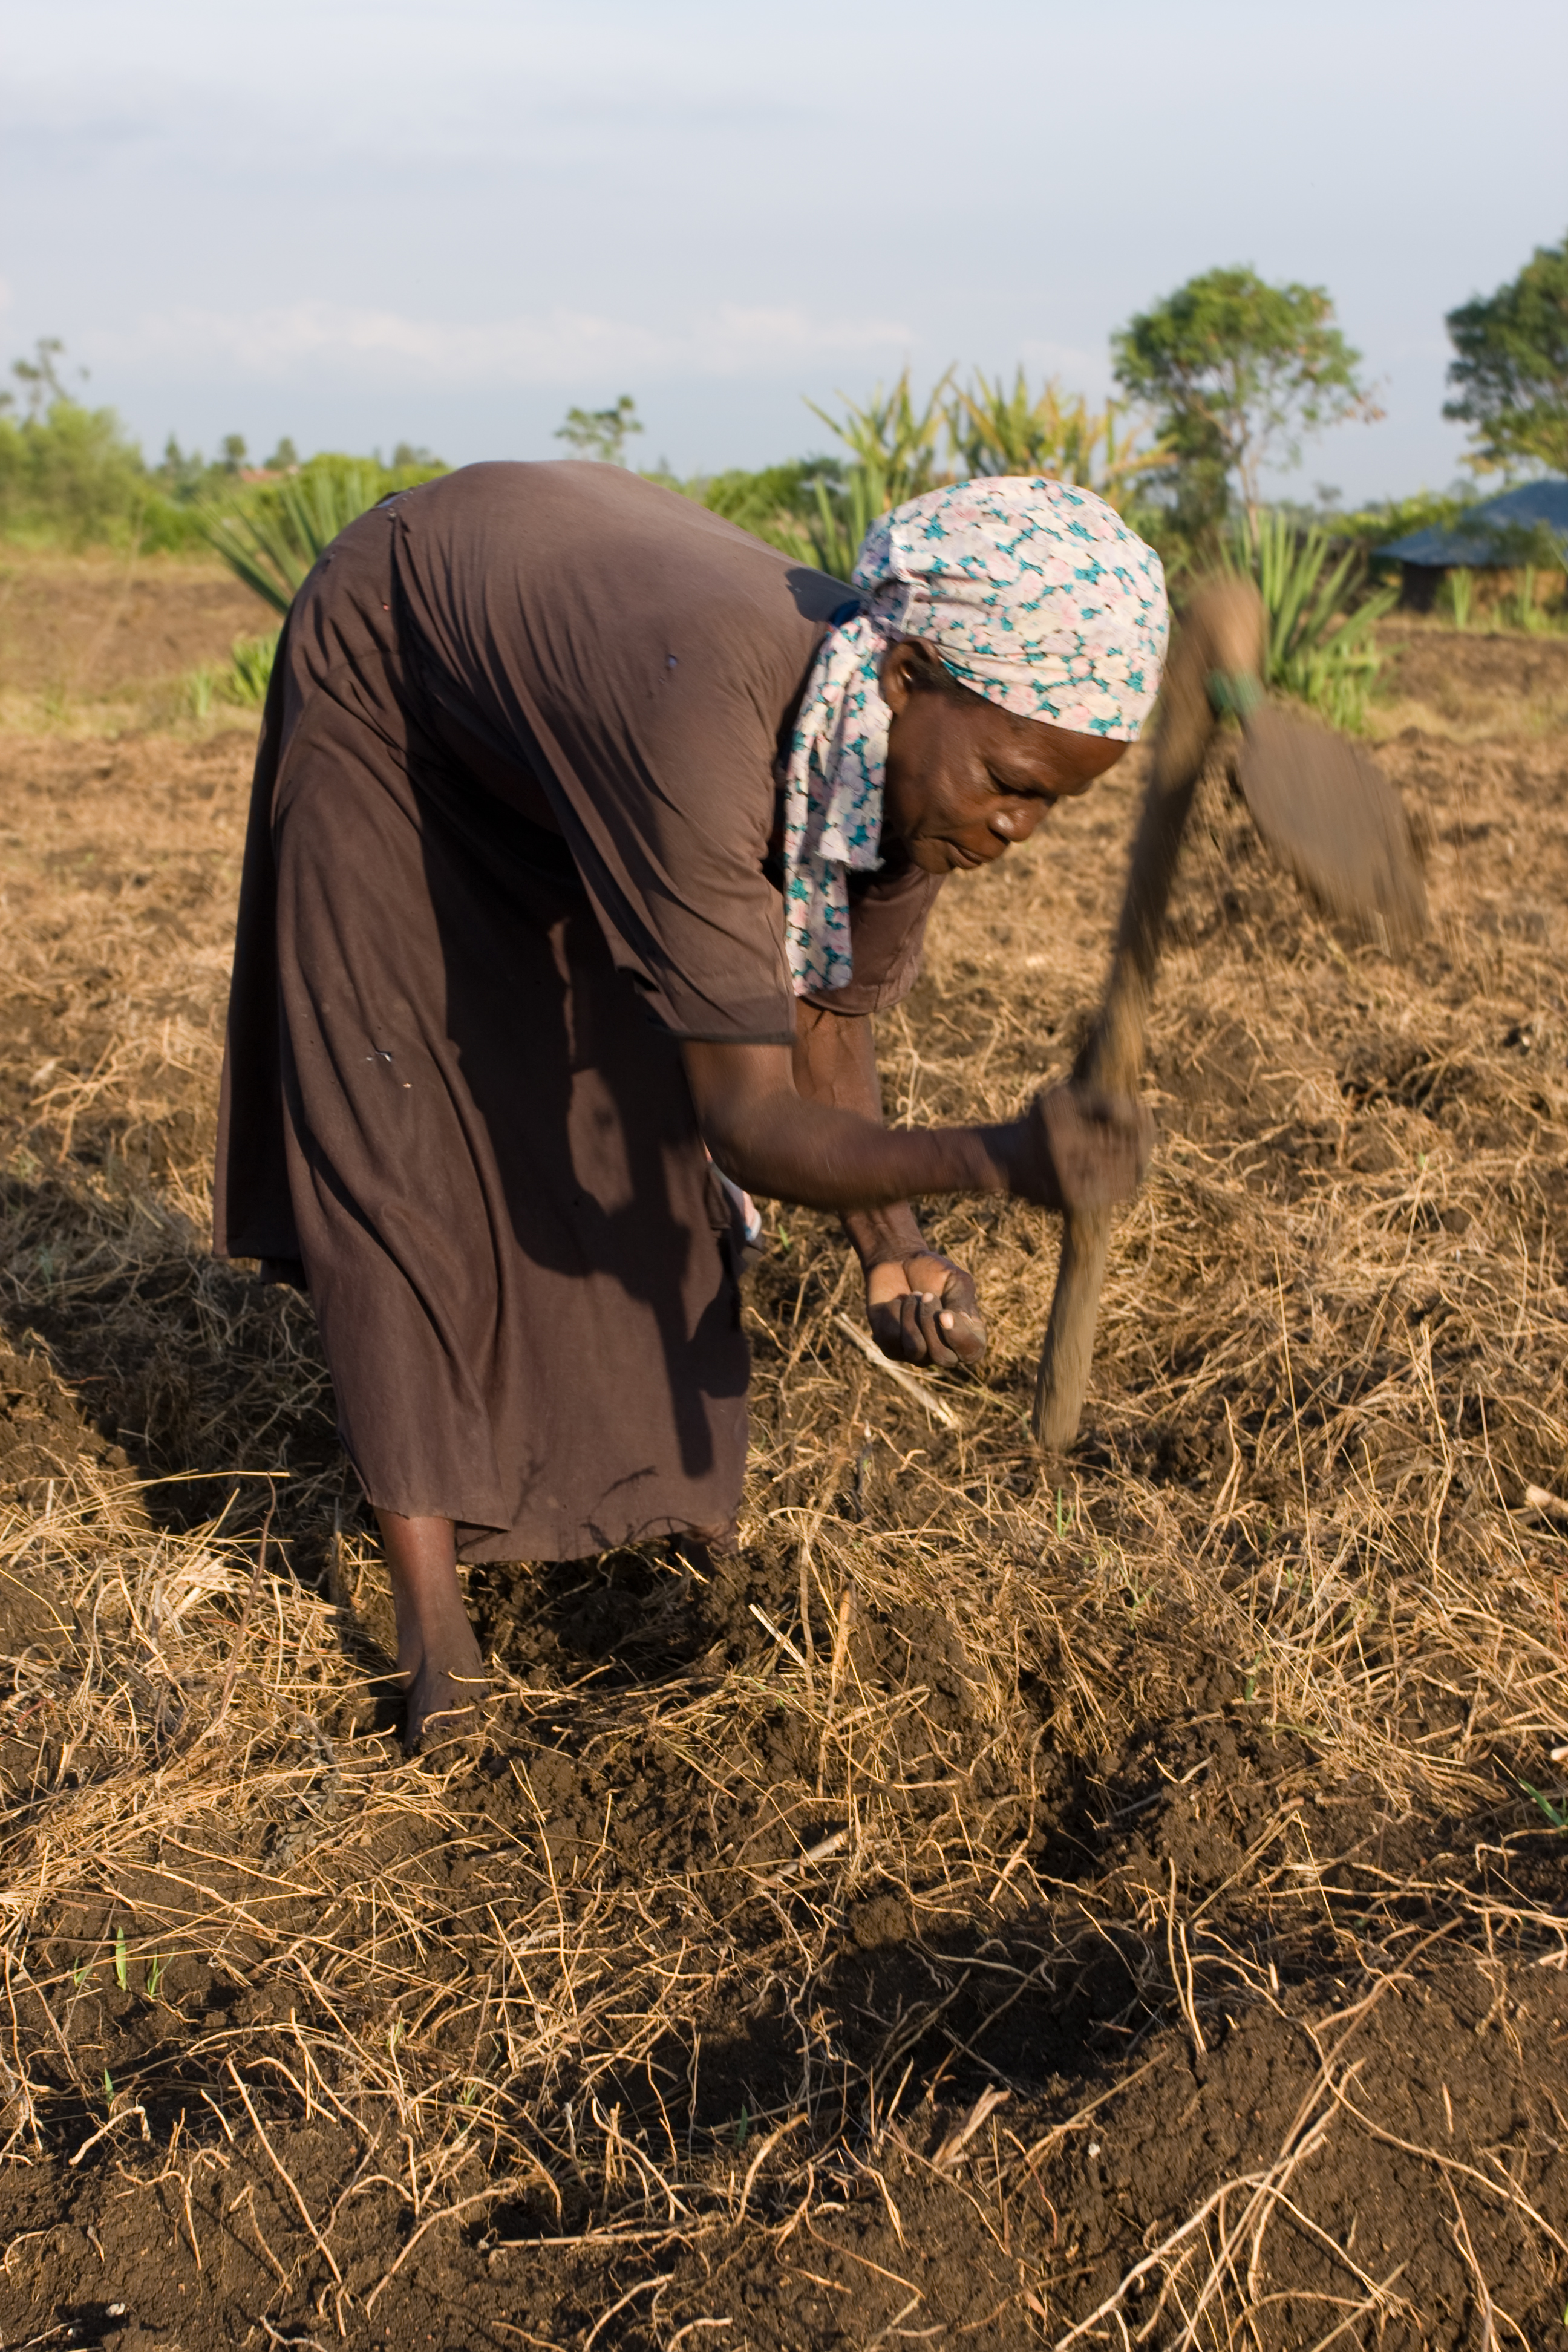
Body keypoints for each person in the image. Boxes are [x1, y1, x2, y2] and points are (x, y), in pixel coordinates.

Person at [215, 465, 1168, 1748]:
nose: (1020, 826)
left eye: (1058, 802)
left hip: (576, 689)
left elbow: (826, 1018)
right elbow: (752, 1124)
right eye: (1013, 779)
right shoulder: (708, 717)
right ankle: (435, 1639)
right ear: (907, 678)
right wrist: (997, 1157)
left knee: (614, 1094)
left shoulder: (899, 766)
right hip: (401, 674)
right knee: (407, 1127)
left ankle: (624, 1538)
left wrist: (896, 1247)